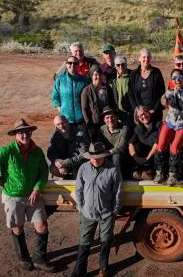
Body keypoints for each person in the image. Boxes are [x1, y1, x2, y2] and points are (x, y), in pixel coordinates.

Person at [0, 119, 54, 272]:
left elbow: (43, 172)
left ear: (31, 132)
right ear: (15, 135)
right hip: (13, 196)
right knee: (17, 227)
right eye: (20, 132)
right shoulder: (7, 151)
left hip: (33, 195)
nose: (24, 135)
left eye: (26, 131)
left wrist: (37, 188)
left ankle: (39, 258)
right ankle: (24, 258)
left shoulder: (37, 151)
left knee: (42, 225)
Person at [72, 142, 122, 277]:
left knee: (105, 243)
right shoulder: (83, 168)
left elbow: (117, 191)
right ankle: (79, 271)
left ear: (104, 156)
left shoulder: (112, 169)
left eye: (98, 156)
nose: (94, 159)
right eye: (92, 157)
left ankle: (103, 269)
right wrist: (81, 207)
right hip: (87, 213)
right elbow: (78, 190)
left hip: (106, 213)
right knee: (84, 244)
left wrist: (115, 210)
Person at [51, 56, 89, 130]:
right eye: (70, 63)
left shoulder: (85, 80)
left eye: (75, 63)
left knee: (81, 139)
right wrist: (61, 109)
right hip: (65, 119)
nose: (72, 65)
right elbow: (55, 97)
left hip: (81, 119)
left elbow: (89, 97)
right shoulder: (60, 80)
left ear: (78, 65)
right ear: (66, 65)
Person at [47, 115, 90, 179]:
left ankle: (76, 177)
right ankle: (66, 176)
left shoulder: (80, 134)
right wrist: (57, 162)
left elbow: (84, 155)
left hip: (79, 163)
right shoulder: (55, 136)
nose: (61, 126)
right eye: (58, 124)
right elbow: (50, 152)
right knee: (53, 168)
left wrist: (66, 162)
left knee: (78, 175)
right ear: (56, 127)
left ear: (67, 122)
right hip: (64, 164)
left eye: (63, 123)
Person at [128, 48, 165, 122]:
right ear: (139, 58)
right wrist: (137, 110)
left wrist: (155, 109)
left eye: (148, 57)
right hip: (140, 114)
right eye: (144, 57)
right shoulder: (133, 74)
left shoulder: (156, 72)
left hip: (154, 112)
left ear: (150, 58)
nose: (146, 59)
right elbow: (130, 94)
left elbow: (162, 92)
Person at [81, 66, 116, 141]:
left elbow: (112, 103)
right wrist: (88, 123)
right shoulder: (86, 91)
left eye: (100, 74)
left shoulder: (107, 88)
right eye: (95, 74)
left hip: (107, 121)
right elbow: (84, 109)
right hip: (94, 123)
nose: (98, 77)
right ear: (91, 76)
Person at [128, 106, 161, 181]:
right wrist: (136, 158)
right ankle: (142, 172)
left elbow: (157, 143)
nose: (143, 116)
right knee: (136, 145)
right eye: (140, 115)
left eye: (144, 113)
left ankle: (151, 173)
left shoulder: (158, 124)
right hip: (143, 159)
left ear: (148, 112)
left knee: (158, 150)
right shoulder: (138, 128)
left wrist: (146, 158)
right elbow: (130, 143)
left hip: (155, 155)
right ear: (138, 118)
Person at [99, 107, 130, 178]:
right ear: (104, 120)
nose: (110, 120)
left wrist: (108, 152)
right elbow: (100, 144)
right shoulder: (102, 129)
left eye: (112, 117)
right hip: (106, 154)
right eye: (107, 118)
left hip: (121, 155)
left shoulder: (124, 128)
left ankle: (116, 179)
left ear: (116, 117)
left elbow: (121, 147)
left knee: (116, 157)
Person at [109, 55, 133, 125]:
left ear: (126, 65)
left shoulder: (133, 76)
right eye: (118, 65)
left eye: (123, 64)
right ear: (115, 66)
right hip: (118, 112)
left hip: (131, 111)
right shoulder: (112, 79)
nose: (120, 67)